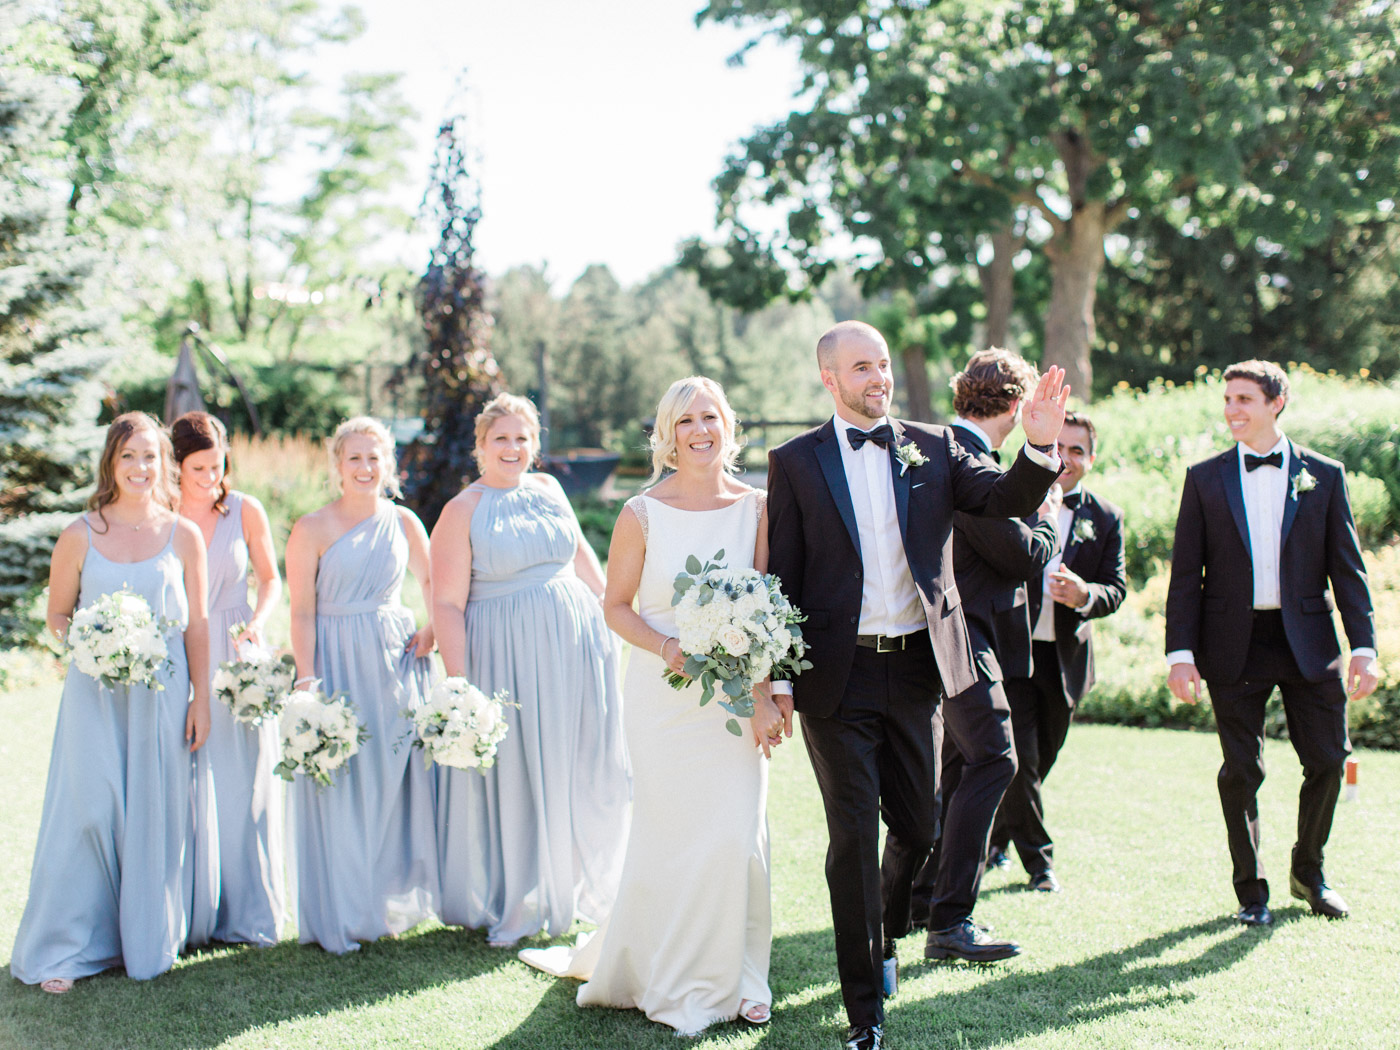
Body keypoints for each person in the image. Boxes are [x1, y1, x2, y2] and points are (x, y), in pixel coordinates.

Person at [766, 322, 1066, 1050]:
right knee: (851, 835)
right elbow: (783, 576)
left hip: (918, 671)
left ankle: (890, 934)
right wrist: (776, 678)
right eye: (861, 368)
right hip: (836, 679)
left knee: (920, 826)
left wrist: (1039, 446)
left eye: (884, 365)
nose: (879, 378)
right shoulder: (796, 462)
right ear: (830, 380)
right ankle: (865, 1010)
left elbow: (1002, 503)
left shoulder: (933, 445)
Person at [520, 376, 782, 1036]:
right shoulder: (641, 513)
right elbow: (614, 606)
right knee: (673, 835)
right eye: (686, 420)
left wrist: (767, 694)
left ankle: (740, 978)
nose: (700, 430)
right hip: (664, 700)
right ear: (668, 434)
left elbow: (767, 609)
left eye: (711, 417)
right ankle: (667, 975)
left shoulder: (758, 508)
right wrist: (667, 647)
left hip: (733, 700)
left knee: (734, 836)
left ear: (729, 427)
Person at [11, 412, 218, 992]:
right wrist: (93, 643)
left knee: (152, 812)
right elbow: (56, 616)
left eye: (150, 455)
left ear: (165, 464)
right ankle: (67, 946)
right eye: (128, 455)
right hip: (94, 693)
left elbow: (197, 623)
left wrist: (202, 697)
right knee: (90, 810)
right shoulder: (81, 533)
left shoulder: (185, 534)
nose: (140, 467)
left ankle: (142, 939)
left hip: (165, 694)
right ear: (110, 462)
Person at [1165, 360, 1377, 926]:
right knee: (1241, 769)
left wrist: (1365, 647)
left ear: (1275, 403)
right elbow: (1186, 575)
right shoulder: (1204, 478)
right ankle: (1250, 893)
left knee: (1331, 760)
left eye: (1244, 399)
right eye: (1228, 398)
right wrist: (1180, 654)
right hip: (1232, 643)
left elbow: (1348, 570)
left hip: (1309, 640)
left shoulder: (1324, 475)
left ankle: (1309, 872)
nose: (1232, 409)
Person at [430, 393, 629, 946]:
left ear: (534, 445)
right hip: (506, 653)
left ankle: (579, 884)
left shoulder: (549, 489)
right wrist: (460, 683)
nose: (513, 448)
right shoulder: (462, 509)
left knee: (579, 759)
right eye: (501, 439)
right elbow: (445, 602)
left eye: (522, 439)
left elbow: (582, 556)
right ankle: (524, 896)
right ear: (481, 446)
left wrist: (614, 611)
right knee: (519, 770)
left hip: (576, 643)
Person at [907, 349, 1059, 938]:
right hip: (963, 635)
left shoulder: (962, 452)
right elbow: (1020, 554)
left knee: (958, 766)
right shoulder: (967, 459)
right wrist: (1045, 522)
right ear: (1019, 406)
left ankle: (924, 899)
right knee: (996, 759)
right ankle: (951, 919)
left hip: (967, 633)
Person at [284, 416, 440, 953]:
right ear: (337, 465)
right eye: (355, 458)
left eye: (375, 457)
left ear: (388, 464)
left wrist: (432, 627)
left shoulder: (404, 523)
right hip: (336, 662)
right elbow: (301, 611)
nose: (366, 468)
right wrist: (307, 680)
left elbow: (435, 584)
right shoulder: (311, 528)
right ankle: (343, 906)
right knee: (342, 780)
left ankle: (385, 899)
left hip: (395, 663)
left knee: (392, 777)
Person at [987, 409, 1126, 893]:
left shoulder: (1106, 517)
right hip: (1013, 652)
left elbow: (1117, 588)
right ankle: (1040, 864)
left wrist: (1086, 594)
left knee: (1040, 760)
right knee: (1020, 761)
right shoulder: (1012, 499)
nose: (1065, 459)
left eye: (1076, 451)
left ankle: (996, 840)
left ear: (1091, 458)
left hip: (1065, 660)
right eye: (1058, 447)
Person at [172, 411, 286, 945]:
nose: (209, 477)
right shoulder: (161, 514)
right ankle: (192, 911)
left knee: (247, 782)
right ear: (175, 467)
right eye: (197, 468)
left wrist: (258, 626)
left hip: (238, 650)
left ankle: (249, 912)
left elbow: (270, 580)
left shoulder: (245, 509)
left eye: (216, 465)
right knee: (188, 779)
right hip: (183, 649)